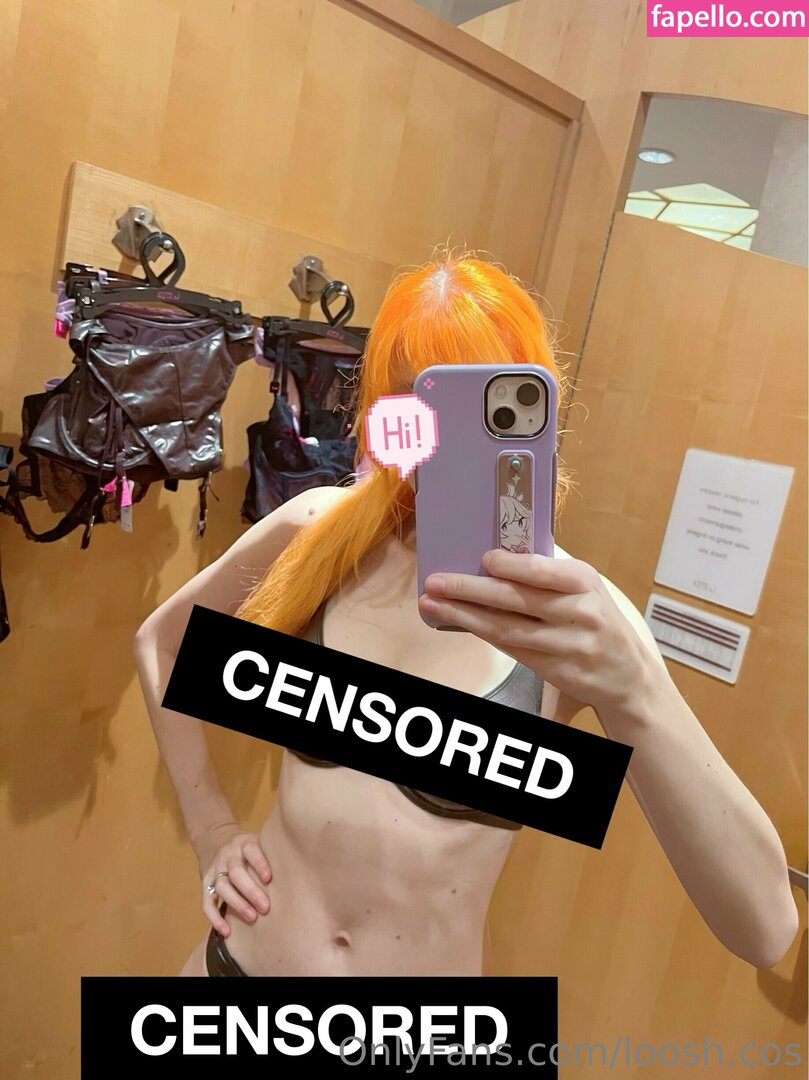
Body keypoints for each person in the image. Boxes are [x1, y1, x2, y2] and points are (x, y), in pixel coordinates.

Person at [134, 255, 798, 977]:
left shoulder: (575, 620)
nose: (442, 446)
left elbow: (766, 931)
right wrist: (212, 832)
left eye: (478, 413)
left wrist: (634, 695)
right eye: (418, 408)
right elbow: (161, 642)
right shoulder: (321, 534)